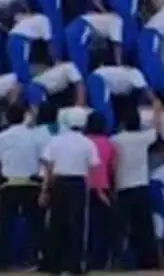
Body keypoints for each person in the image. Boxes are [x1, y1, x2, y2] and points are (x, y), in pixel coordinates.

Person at [40, 115, 100, 275]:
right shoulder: (88, 143)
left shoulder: (56, 141)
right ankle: (75, 264)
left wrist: (45, 190)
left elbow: (49, 167)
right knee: (77, 224)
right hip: (78, 183)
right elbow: (94, 166)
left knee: (56, 223)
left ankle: (54, 264)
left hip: (58, 182)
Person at [0, 104, 45, 270]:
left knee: (4, 225)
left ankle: (1, 262)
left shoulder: (2, 137)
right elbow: (44, 161)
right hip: (32, 184)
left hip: (9, 184)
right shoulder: (34, 136)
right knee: (35, 224)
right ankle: (34, 259)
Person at [111, 105, 164, 270]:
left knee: (120, 227)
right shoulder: (143, 138)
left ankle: (119, 259)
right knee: (144, 227)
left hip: (123, 187)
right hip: (141, 186)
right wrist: (157, 110)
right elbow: (157, 127)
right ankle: (148, 262)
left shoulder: (116, 140)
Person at [34, 0, 106, 59]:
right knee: (55, 26)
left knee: (54, 25)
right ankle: (58, 58)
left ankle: (55, 55)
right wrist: (104, 11)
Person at [87, 65, 162, 133]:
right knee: (104, 115)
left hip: (104, 83)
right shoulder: (137, 76)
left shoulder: (131, 84)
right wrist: (157, 121)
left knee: (110, 116)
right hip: (98, 79)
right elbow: (155, 101)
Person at [84, 112, 116, 270]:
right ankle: (101, 260)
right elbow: (112, 168)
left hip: (86, 188)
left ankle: (87, 259)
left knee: (87, 226)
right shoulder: (109, 144)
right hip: (104, 188)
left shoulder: (84, 142)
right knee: (102, 227)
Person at [7, 13, 57, 84]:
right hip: (22, 40)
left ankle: (19, 87)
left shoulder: (33, 18)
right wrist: (55, 61)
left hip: (11, 39)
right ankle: (25, 88)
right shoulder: (44, 20)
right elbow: (48, 41)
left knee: (17, 68)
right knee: (22, 68)